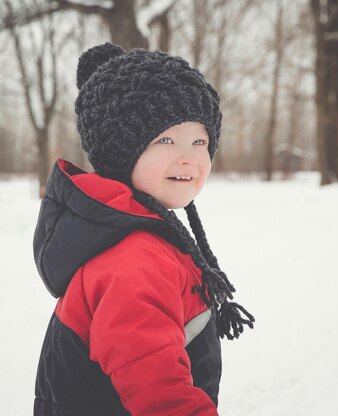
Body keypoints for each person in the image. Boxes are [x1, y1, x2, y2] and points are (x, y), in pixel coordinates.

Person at [33, 42, 255, 416]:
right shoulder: (133, 260)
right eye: (165, 139)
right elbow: (160, 395)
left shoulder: (144, 235)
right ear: (120, 152)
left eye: (199, 140)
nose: (188, 155)